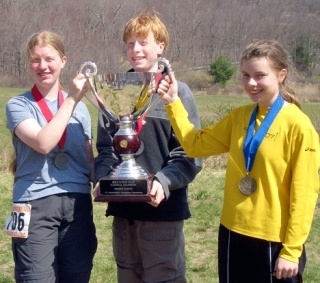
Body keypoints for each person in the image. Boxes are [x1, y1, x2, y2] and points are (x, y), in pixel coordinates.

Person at [157, 40, 320, 283]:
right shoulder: (239, 117)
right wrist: (173, 103)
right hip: (232, 232)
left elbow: (305, 194)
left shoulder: (299, 125)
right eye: (245, 75)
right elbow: (195, 145)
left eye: (260, 75)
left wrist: (292, 250)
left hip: (273, 240)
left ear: (281, 74)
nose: (251, 83)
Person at [93, 12, 202, 283]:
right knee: (127, 276)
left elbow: (190, 152)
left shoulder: (177, 93)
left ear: (160, 47)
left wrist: (163, 182)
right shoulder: (114, 92)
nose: (135, 49)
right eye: (130, 43)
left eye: (143, 42)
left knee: (165, 278)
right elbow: (106, 148)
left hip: (162, 213)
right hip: (124, 214)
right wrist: (103, 177)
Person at [5, 31, 97, 283]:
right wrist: (71, 99)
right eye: (36, 60)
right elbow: (44, 143)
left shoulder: (82, 111)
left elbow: (89, 162)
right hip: (34, 203)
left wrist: (121, 185)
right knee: (36, 278)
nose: (43, 66)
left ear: (63, 61)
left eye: (49, 58)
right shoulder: (18, 105)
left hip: (77, 205)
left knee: (77, 276)